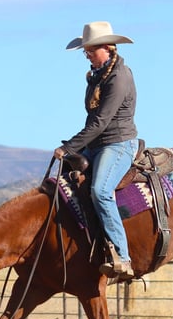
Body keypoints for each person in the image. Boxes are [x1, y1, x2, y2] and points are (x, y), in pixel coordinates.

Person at [53, 21, 138, 281]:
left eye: (91, 50)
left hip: (118, 144)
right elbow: (94, 123)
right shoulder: (97, 76)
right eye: (85, 51)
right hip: (97, 144)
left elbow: (101, 121)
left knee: (100, 191)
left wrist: (69, 147)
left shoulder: (119, 77)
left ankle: (122, 257)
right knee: (63, 182)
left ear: (108, 48)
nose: (87, 55)